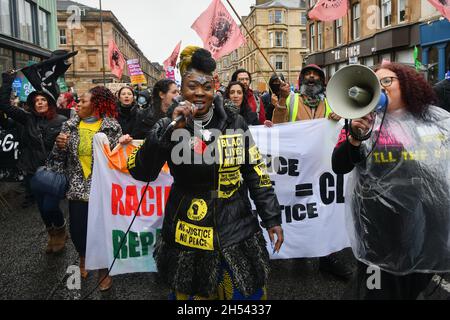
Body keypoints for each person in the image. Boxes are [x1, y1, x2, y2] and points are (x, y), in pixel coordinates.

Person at [127, 46, 284, 300]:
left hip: (237, 229)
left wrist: (272, 217)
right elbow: (143, 172)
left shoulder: (234, 122)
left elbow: (255, 171)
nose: (200, 93)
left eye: (206, 87)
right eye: (192, 86)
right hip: (189, 231)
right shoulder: (169, 124)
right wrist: (167, 129)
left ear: (214, 87)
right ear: (183, 88)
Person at [332, 62, 450, 299]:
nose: (381, 87)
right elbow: (339, 165)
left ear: (406, 84)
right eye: (375, 83)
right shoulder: (361, 123)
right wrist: (354, 139)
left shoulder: (433, 119)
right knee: (379, 291)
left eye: (387, 81)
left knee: (414, 286)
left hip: (427, 222)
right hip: (379, 229)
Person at [270, 64, 352, 280]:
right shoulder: (291, 100)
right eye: (307, 75)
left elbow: (344, 126)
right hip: (297, 169)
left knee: (325, 209)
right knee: (298, 209)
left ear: (323, 81)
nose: (312, 77)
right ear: (301, 80)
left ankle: (327, 257)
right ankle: (299, 250)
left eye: (316, 75)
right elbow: (278, 127)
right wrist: (281, 101)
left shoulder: (331, 102)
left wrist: (339, 116)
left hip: (324, 168)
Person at [50, 86, 122, 291]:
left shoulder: (112, 126)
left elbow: (117, 160)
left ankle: (103, 269)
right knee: (79, 231)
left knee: (104, 232)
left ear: (96, 105)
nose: (77, 104)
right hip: (78, 189)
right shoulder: (69, 126)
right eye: (77, 101)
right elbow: (56, 163)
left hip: (104, 190)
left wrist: (123, 145)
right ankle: (83, 257)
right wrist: (59, 146)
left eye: (82, 101)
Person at [0, 71, 68, 253]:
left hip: (54, 172)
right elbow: (4, 106)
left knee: (50, 205)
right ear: (32, 104)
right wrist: (7, 81)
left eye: (43, 100)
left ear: (50, 103)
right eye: (36, 100)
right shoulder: (27, 119)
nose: (39, 102)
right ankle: (52, 234)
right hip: (32, 171)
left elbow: (70, 146)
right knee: (42, 209)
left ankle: (61, 229)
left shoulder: (62, 121)